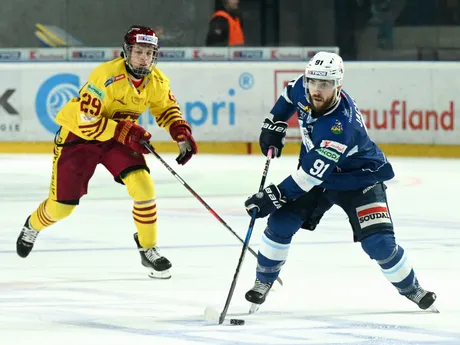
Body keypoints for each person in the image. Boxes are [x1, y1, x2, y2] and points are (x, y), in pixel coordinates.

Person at [243, 52, 437, 313]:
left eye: (325, 85)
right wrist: (274, 122)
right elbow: (289, 94)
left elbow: (310, 176)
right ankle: (262, 282)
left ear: (338, 86)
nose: (316, 90)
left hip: (360, 179)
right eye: (313, 82)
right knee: (280, 222)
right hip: (319, 176)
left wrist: (274, 196)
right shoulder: (305, 85)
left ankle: (412, 288)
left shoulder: (340, 126)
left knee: (379, 244)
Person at [16, 25, 198, 280]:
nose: (144, 58)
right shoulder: (105, 77)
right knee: (61, 208)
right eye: (138, 52)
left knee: (143, 186)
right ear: (127, 51)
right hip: (79, 137)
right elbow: (86, 120)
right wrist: (125, 132)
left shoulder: (156, 80)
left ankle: (148, 248)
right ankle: (32, 225)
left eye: (149, 53)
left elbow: (166, 107)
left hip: (116, 138)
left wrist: (179, 131)